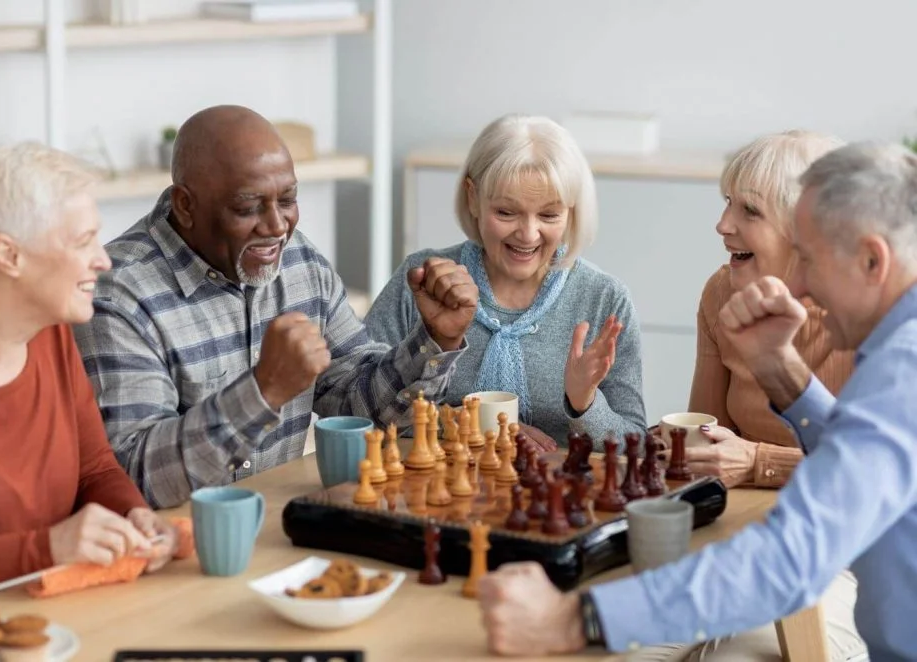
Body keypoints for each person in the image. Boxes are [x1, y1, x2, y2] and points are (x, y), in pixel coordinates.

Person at [478, 142, 917, 662]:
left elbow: (788, 561)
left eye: (811, 261)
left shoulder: (901, 371)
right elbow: (860, 465)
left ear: (873, 260)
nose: (798, 285)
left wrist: (574, 619)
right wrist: (778, 368)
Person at [73, 105, 477, 509]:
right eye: (248, 208)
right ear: (185, 205)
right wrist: (263, 391)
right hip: (170, 550)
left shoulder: (298, 261)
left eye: (288, 199)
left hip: (274, 530)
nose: (277, 226)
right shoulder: (117, 294)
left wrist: (435, 340)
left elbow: (361, 405)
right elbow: (133, 479)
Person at [0, 142, 177, 594]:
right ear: (9, 256)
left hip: (56, 615)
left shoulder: (49, 334)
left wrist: (134, 516)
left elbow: (93, 470)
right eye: (82, 241)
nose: (104, 259)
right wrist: (47, 548)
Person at [365, 114, 646, 448]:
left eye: (549, 215)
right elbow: (357, 409)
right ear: (473, 197)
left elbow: (638, 446)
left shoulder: (604, 299)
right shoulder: (423, 280)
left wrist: (585, 402)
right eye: (506, 213)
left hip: (559, 497)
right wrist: (466, 424)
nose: (528, 234)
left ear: (571, 211)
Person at [686, 130, 854, 490]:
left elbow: (875, 469)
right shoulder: (721, 294)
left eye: (750, 210)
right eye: (728, 202)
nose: (723, 224)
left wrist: (757, 462)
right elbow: (708, 431)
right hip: (746, 510)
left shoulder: (873, 319)